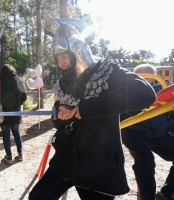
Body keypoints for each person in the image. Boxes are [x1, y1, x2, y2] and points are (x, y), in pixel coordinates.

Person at [29, 19, 156, 199]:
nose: (61, 63)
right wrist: (60, 117)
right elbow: (56, 119)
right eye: (58, 59)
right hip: (66, 159)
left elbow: (145, 93)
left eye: (65, 57)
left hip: (99, 163)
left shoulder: (108, 71)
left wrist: (87, 108)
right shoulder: (62, 83)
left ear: (78, 52)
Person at [121, 64, 174, 200]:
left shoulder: (161, 91)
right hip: (134, 132)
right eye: (142, 77)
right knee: (145, 160)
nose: (146, 80)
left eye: (150, 77)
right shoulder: (126, 92)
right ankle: (147, 197)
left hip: (158, 133)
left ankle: (166, 193)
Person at [0, 64, 27, 163]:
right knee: (16, 132)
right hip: (16, 112)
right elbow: (24, 97)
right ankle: (20, 154)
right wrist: (18, 103)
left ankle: (9, 156)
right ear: (13, 70)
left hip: (3, 113)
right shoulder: (18, 80)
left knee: (6, 135)